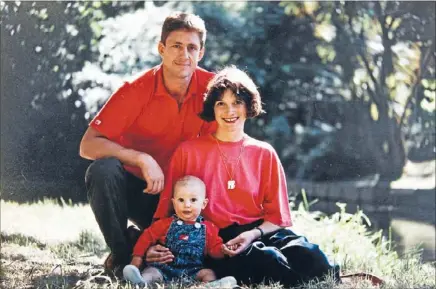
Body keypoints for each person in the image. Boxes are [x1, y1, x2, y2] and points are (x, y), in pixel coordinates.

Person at [152, 66, 341, 287]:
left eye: (237, 103)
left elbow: (277, 218)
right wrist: (154, 244)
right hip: (215, 238)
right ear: (212, 108)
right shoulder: (188, 151)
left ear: (248, 106)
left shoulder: (264, 152)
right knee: (269, 261)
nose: (229, 111)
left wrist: (253, 234)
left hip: (259, 229)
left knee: (313, 257)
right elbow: (166, 208)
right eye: (221, 103)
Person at [79, 11, 217, 275]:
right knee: (102, 170)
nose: (184, 55)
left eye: (191, 48)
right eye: (176, 46)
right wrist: (141, 159)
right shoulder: (135, 90)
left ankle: (146, 245)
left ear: (201, 53)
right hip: (141, 193)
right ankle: (123, 257)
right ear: (161, 49)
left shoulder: (213, 90)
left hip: (184, 201)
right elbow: (88, 145)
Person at [122, 175, 237, 288]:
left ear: (203, 204)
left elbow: (213, 249)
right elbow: (146, 237)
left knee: (208, 273)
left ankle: (209, 286)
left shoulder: (208, 228)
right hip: (163, 268)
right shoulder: (164, 224)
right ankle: (141, 282)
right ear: (174, 202)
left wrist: (223, 250)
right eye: (181, 200)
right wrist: (137, 257)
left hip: (192, 271)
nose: (186, 205)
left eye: (193, 200)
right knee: (151, 272)